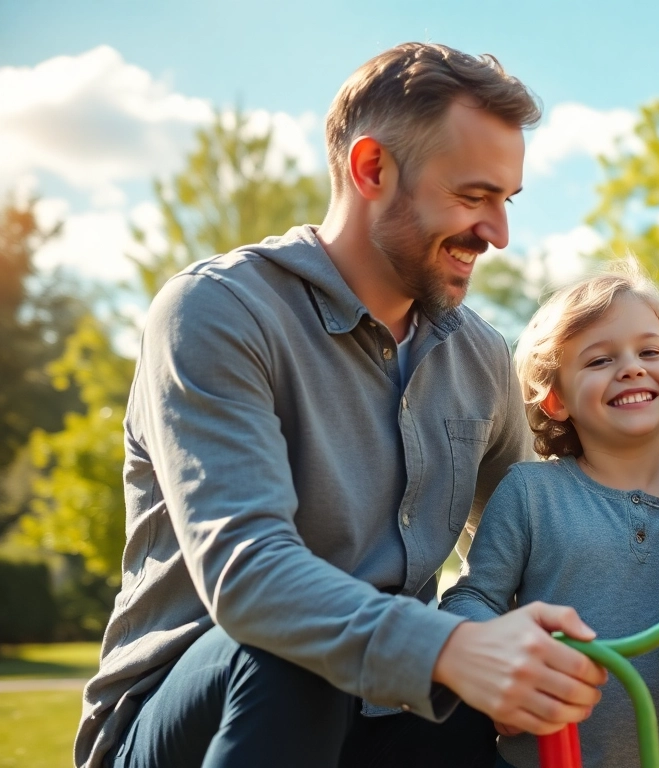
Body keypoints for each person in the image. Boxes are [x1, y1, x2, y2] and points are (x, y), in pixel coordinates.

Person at [76, 43, 608, 768]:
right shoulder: (216, 312)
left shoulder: (478, 354)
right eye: (472, 196)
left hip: (382, 711)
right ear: (372, 169)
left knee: (467, 713)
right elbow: (249, 574)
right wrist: (451, 646)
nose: (498, 234)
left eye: (506, 201)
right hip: (195, 713)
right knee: (298, 652)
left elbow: (539, 532)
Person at [441, 267, 659, 767]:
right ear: (556, 399)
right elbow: (470, 597)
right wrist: (503, 661)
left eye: (649, 352)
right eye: (600, 360)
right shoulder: (531, 493)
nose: (631, 368)